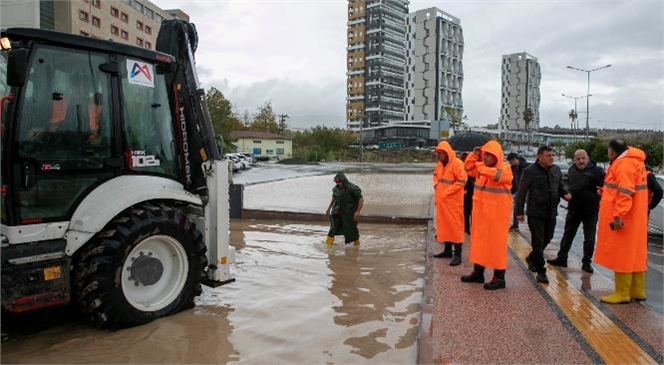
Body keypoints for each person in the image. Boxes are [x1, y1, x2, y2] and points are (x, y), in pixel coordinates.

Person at [594, 139, 649, 304]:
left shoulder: (623, 164)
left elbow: (626, 192)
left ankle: (622, 293)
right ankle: (637, 290)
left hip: (625, 219)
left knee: (623, 254)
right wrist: (607, 192)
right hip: (636, 218)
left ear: (612, 151)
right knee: (636, 253)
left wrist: (618, 215)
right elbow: (625, 188)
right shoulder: (636, 162)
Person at [460, 140, 513, 290]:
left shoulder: (505, 168)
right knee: (478, 245)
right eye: (485, 154)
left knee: (496, 247)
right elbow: (468, 167)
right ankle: (478, 273)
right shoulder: (481, 168)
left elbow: (496, 176)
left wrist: (480, 166)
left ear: (497, 156)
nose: (486, 157)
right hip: (481, 216)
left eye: (489, 155)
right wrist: (473, 155)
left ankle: (499, 278)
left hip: (497, 217)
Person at [514, 145, 570, 284]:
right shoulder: (529, 171)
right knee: (538, 242)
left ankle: (532, 258)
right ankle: (541, 271)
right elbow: (521, 192)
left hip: (551, 212)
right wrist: (519, 212)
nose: (551, 158)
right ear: (539, 157)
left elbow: (560, 186)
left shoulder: (556, 170)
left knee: (547, 238)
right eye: (548, 155)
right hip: (535, 212)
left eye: (552, 155)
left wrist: (565, 194)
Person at [547, 150, 605, 273]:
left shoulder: (597, 171)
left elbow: (605, 187)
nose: (581, 161)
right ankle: (562, 257)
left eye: (583, 158)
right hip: (574, 208)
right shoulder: (572, 170)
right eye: (578, 159)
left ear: (588, 158)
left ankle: (586, 262)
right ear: (574, 160)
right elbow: (569, 186)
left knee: (589, 237)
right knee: (568, 234)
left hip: (590, 210)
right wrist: (567, 193)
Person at [431, 141, 468, 266]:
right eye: (438, 153)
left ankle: (458, 254)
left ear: (447, 153)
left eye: (441, 153)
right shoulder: (440, 165)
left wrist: (447, 192)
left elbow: (462, 180)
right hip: (442, 201)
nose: (439, 156)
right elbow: (436, 176)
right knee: (444, 225)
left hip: (453, 202)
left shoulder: (457, 164)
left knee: (455, 227)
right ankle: (447, 250)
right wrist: (436, 184)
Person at [325, 172, 364, 246]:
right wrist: (329, 208)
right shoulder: (336, 189)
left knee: (351, 229)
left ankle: (355, 246)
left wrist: (357, 211)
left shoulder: (352, 188)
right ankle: (328, 245)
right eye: (335, 181)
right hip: (337, 211)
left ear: (343, 180)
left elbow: (361, 199)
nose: (337, 183)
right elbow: (334, 198)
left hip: (349, 212)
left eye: (338, 181)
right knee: (333, 227)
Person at [507, 152, 530, 230]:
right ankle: (515, 224)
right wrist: (511, 191)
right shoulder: (512, 168)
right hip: (518, 190)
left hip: (528, 190)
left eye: (511, 161)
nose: (510, 163)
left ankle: (532, 223)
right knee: (517, 205)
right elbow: (513, 180)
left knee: (530, 206)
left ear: (515, 159)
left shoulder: (526, 166)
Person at [460, 152, 475, 235]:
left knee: (466, 211)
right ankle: (468, 228)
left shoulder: (463, 167)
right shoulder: (469, 167)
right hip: (470, 191)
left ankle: (466, 228)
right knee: (470, 211)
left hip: (467, 191)